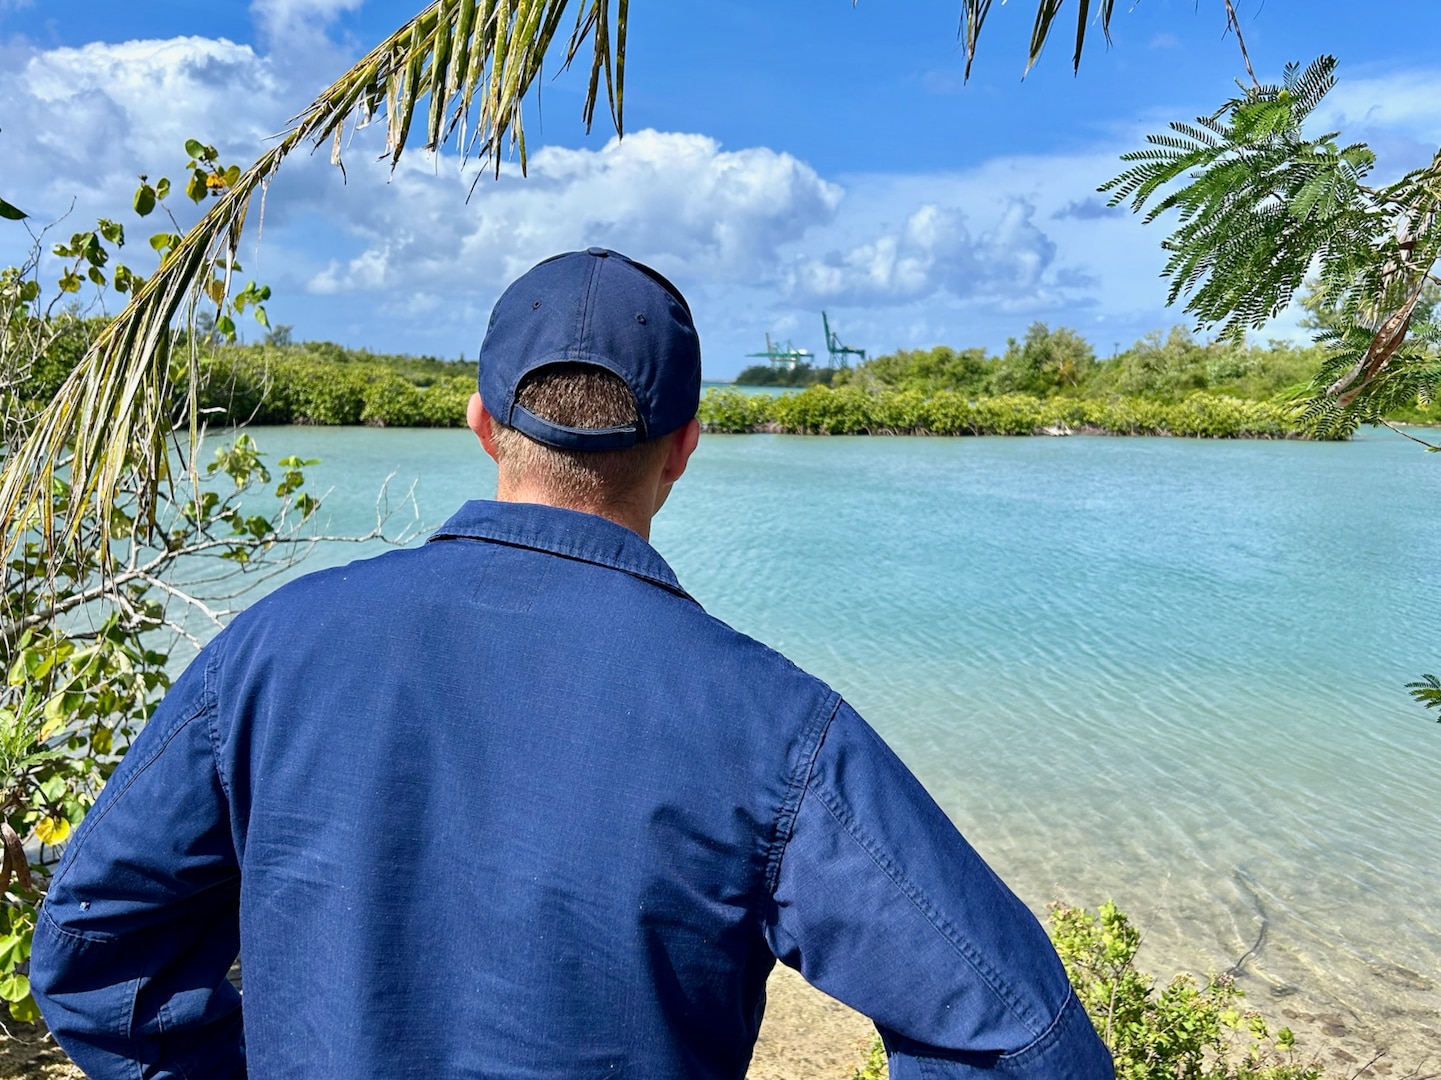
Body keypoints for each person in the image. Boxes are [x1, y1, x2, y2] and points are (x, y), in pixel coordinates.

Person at [31, 248, 1113, 1079]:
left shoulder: (272, 650)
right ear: (685, 445)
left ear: (482, 424)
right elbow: (1022, 1043)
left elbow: (92, 956)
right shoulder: (771, 726)